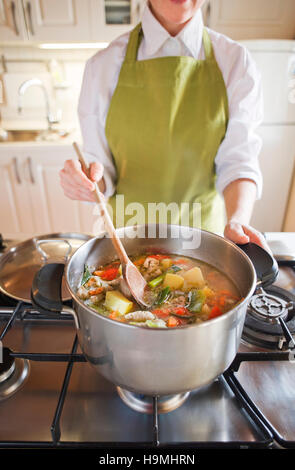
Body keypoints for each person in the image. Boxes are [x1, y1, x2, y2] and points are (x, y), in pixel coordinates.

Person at [60, 0, 269, 250]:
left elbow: (238, 161)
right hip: (126, 243)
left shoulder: (236, 62)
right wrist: (87, 181)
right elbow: (101, 168)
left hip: (204, 244)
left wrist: (238, 220)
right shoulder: (101, 66)